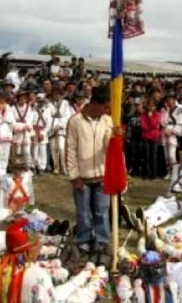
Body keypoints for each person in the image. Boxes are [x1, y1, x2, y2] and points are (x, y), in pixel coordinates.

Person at [65, 84, 117, 255]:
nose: (105, 110)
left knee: (102, 211)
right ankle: (84, 240)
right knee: (84, 212)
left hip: (102, 175)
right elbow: (70, 149)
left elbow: (107, 145)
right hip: (82, 176)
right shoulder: (75, 121)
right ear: (94, 103)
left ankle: (102, 241)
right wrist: (74, 176)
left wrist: (115, 138)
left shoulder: (107, 120)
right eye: (104, 107)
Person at [134, 149, 182, 228]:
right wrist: (168, 194)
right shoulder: (176, 168)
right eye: (181, 160)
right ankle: (140, 217)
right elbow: (173, 183)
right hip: (171, 195)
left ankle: (149, 222)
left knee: (168, 210)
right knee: (158, 204)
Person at [0, 91, 15, 179]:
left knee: (5, 154)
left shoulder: (9, 107)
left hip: (7, 133)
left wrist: (4, 116)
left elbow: (11, 120)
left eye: (3, 99)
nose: (1, 100)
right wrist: (0, 110)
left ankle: (4, 171)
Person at [160, 92, 182, 180]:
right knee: (166, 156)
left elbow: (180, 123)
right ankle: (168, 172)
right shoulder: (163, 110)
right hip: (164, 131)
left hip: (173, 134)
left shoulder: (179, 110)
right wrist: (167, 111)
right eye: (168, 99)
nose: (169, 101)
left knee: (171, 155)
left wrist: (173, 131)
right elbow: (162, 122)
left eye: (171, 99)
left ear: (174, 100)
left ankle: (175, 173)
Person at [47, 87, 70, 175]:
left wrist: (60, 125)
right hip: (52, 129)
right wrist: (53, 126)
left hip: (61, 130)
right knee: (53, 148)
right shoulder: (49, 104)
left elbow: (67, 116)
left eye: (59, 94)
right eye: (55, 94)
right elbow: (48, 117)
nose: (57, 96)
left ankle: (64, 167)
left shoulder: (65, 103)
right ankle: (56, 167)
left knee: (61, 148)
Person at [12, 89, 35, 167]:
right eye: (21, 98)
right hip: (18, 131)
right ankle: (17, 167)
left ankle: (28, 166)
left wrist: (26, 126)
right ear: (17, 99)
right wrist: (21, 126)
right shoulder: (13, 108)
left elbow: (30, 119)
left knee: (26, 150)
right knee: (17, 149)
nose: (22, 100)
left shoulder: (29, 108)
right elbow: (12, 120)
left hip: (26, 131)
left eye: (24, 98)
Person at [140, 99, 161, 180]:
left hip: (154, 137)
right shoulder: (143, 115)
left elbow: (156, 125)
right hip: (146, 137)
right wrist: (151, 126)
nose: (151, 108)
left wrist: (151, 117)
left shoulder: (158, 114)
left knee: (154, 156)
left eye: (153, 106)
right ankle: (146, 173)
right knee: (146, 156)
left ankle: (154, 174)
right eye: (150, 106)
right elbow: (143, 126)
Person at [32, 93, 51, 174]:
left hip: (43, 131)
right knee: (34, 150)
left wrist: (43, 133)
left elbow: (48, 124)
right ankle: (34, 165)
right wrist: (32, 133)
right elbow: (30, 121)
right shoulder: (33, 110)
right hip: (34, 131)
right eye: (39, 101)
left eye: (42, 102)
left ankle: (41, 167)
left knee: (42, 150)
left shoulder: (47, 111)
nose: (40, 103)